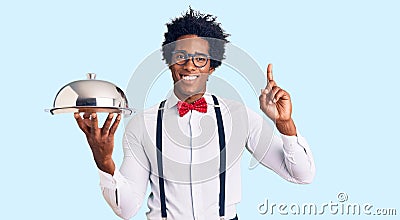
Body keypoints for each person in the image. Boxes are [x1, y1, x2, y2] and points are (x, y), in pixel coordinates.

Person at [74, 8, 315, 220]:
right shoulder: (142, 124)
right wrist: (104, 161)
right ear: (169, 62)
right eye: (181, 57)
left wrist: (285, 124)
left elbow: (301, 175)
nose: (190, 66)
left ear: (212, 65)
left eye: (200, 59)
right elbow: (126, 209)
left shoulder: (239, 116)